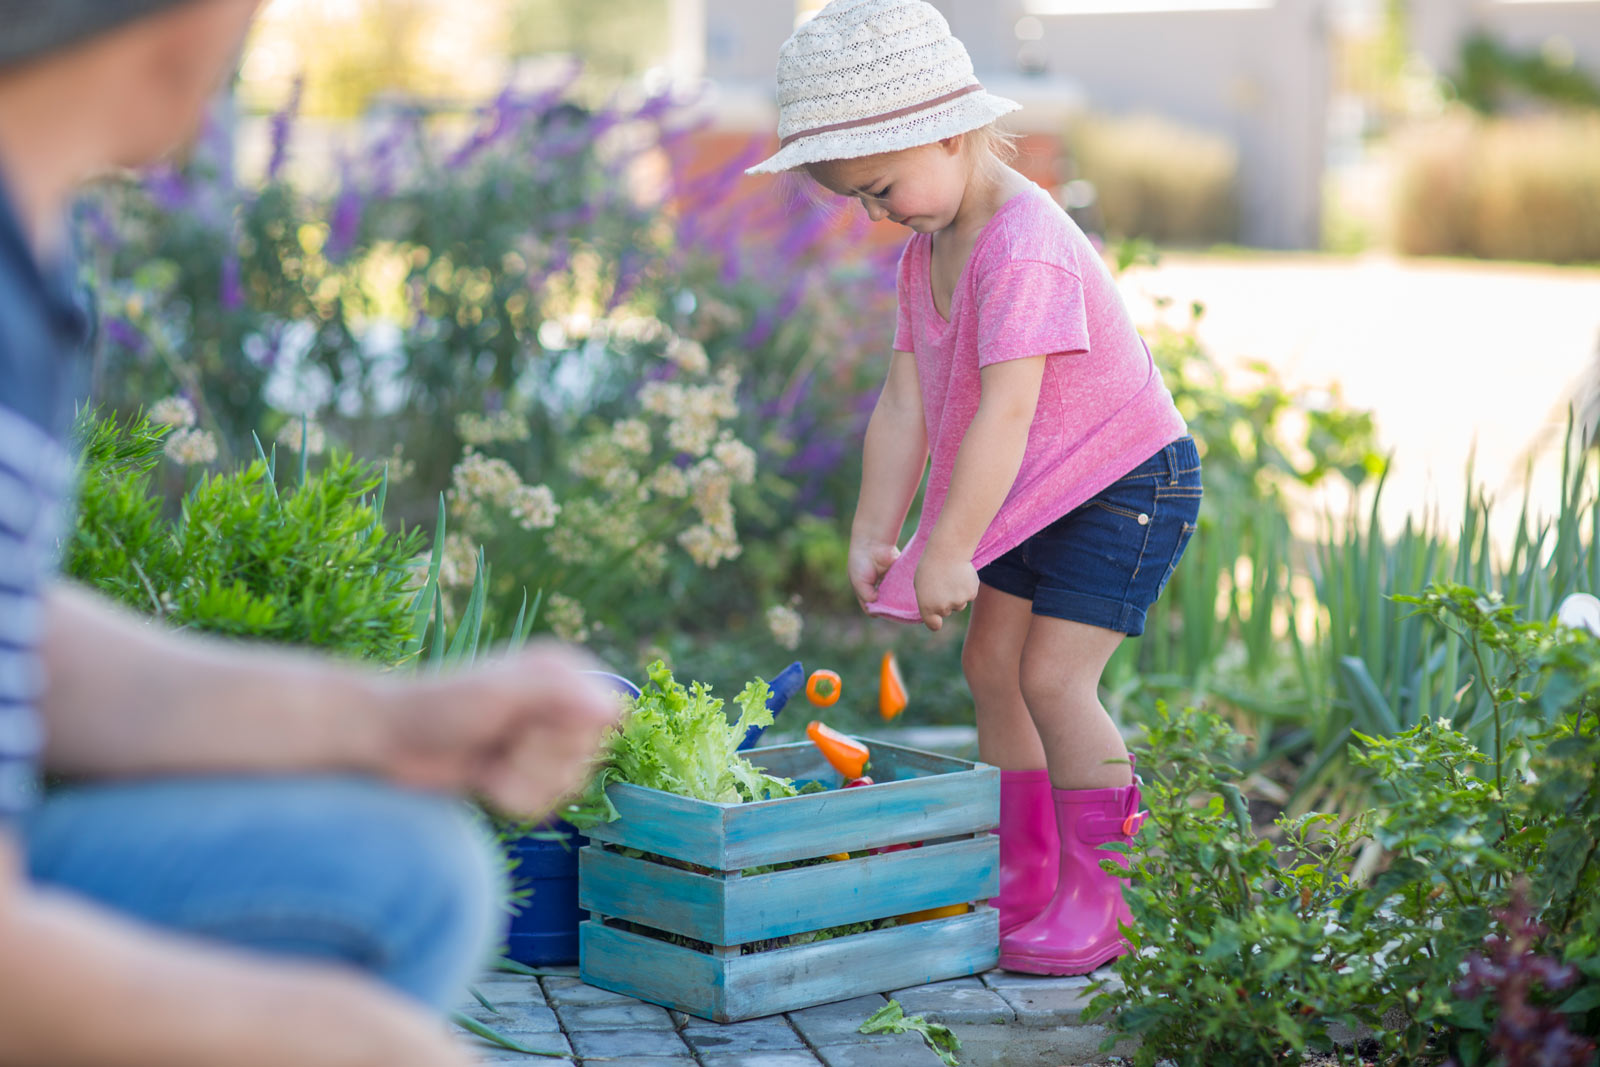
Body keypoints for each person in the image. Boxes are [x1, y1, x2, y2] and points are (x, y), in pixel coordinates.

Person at [0, 2, 621, 1063]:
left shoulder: (34, 259)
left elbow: (19, 637)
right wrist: (318, 1036)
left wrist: (394, 717)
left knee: (410, 869)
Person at [748, 0, 1203, 976]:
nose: (876, 215)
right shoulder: (925, 252)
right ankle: (1024, 866)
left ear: (946, 131)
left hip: (1122, 482)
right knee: (990, 665)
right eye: (856, 201)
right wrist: (881, 528)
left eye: (879, 188)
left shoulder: (1023, 244)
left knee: (1050, 675)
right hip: (1036, 485)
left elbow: (1002, 413)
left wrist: (948, 547)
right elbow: (906, 399)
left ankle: (1105, 888)